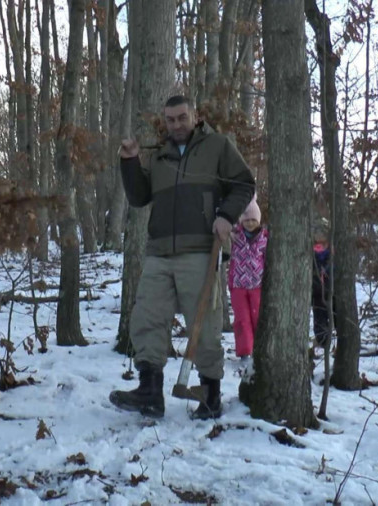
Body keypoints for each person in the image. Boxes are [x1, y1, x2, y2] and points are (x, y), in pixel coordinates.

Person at [110, 95, 255, 420]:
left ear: (195, 115)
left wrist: (226, 216)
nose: (176, 124)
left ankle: (209, 396)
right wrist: (130, 162)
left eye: (182, 117)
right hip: (159, 251)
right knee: (147, 319)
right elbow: (138, 198)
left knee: (204, 325)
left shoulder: (217, 146)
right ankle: (149, 392)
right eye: (171, 119)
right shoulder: (159, 155)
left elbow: (244, 184)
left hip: (201, 252)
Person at [228, 196, 268, 367]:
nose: (250, 223)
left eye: (253, 220)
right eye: (247, 220)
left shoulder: (265, 238)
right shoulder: (235, 237)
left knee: (257, 318)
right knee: (242, 320)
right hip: (238, 285)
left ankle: (260, 349)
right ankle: (245, 352)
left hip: (257, 286)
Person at [312, 220, 334, 349]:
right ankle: (322, 340)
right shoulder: (310, 251)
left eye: (322, 233)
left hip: (331, 288)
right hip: (317, 290)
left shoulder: (332, 250)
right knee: (319, 315)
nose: (319, 237)